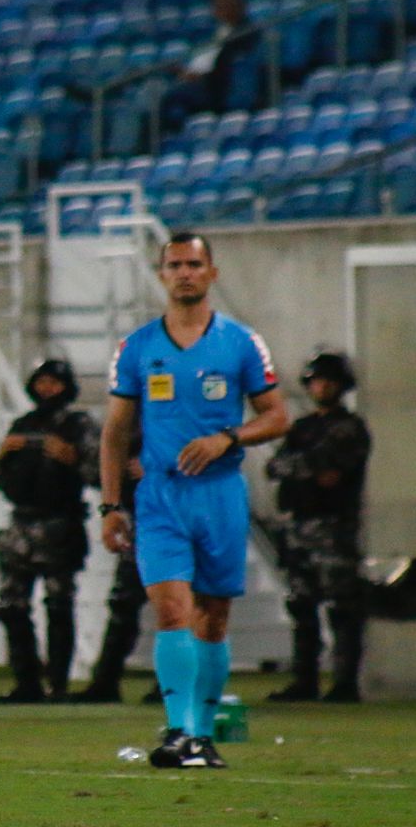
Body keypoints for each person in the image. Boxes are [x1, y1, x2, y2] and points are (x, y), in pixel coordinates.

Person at [101, 231, 288, 769]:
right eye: (174, 264)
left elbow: (277, 415)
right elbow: (115, 432)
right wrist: (112, 506)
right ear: (161, 274)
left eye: (194, 264)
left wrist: (227, 438)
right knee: (171, 608)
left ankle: (202, 735)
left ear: (212, 273)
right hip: (160, 496)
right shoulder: (137, 348)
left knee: (213, 617)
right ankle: (179, 730)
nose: (184, 272)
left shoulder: (241, 343)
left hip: (221, 495)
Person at [0, 358, 100, 704]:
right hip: (21, 525)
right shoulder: (23, 424)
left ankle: (58, 684)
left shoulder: (79, 425)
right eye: (42, 382)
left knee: (59, 605)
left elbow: (99, 474)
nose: (47, 389)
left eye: (54, 382)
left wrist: (71, 457)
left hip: (61, 526)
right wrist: (3, 455)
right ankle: (27, 681)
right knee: (11, 606)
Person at [265, 351, 370, 703]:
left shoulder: (350, 427)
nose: (321, 388)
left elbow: (327, 467)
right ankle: (304, 680)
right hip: (297, 527)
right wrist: (303, 467)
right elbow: (275, 466)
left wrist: (299, 466)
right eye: (316, 382)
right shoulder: (303, 427)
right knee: (301, 606)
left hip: (333, 527)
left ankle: (344, 682)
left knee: (343, 607)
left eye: (329, 381)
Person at [67, 426, 147, 704]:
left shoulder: (187, 419)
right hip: (140, 522)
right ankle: (105, 682)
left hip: (179, 520)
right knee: (123, 604)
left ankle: (175, 686)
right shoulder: (131, 422)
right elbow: (100, 465)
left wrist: (162, 466)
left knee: (177, 608)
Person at [161, 0, 260, 129]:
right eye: (218, 6)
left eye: (227, 6)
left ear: (240, 6)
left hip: (216, 88)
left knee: (170, 96)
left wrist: (200, 77)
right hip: (197, 79)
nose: (222, 11)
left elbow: (229, 67)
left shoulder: (245, 33)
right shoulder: (216, 32)